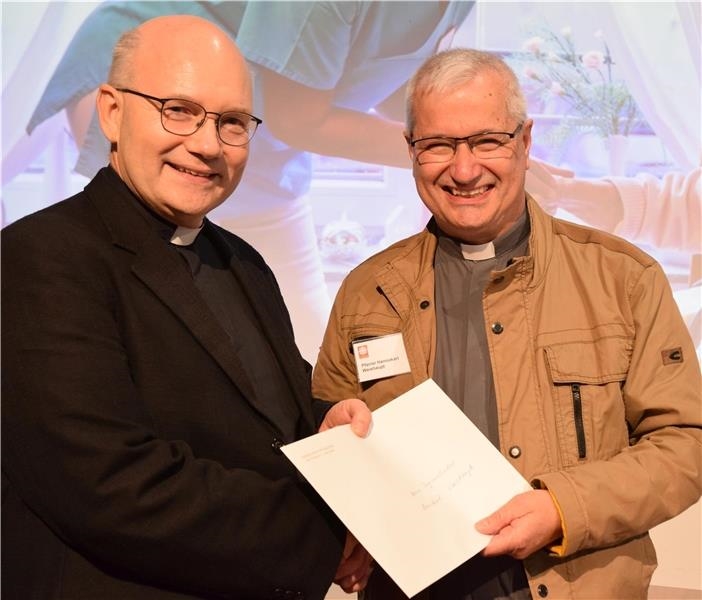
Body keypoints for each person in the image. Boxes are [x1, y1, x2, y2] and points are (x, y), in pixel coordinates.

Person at [1, 15, 374, 599]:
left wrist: (326, 416)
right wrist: (328, 532)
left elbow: (270, 405)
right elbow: (107, 485)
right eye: (178, 109)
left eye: (231, 123)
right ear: (111, 112)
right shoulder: (39, 257)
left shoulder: (242, 260)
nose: (206, 144)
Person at [311, 48, 702, 599]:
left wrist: (563, 508)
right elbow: (327, 431)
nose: (464, 169)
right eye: (438, 145)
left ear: (525, 141)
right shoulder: (367, 292)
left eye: (487, 141)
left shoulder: (623, 279)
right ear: (410, 151)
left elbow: (685, 445)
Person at [18, 0, 474, 361]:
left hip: (260, 135)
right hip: (182, 86)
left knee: (290, 329)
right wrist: (446, 152)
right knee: (159, 315)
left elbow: (390, 81)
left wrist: (462, 135)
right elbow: (300, 119)